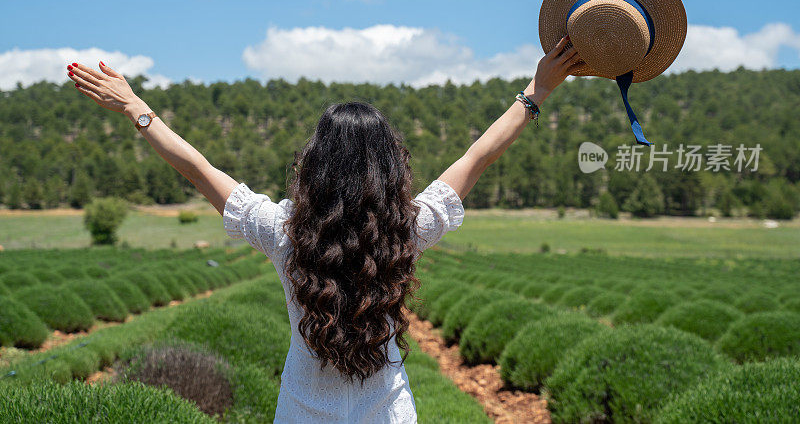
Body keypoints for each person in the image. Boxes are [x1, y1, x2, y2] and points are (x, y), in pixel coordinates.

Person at [66, 35, 582, 423]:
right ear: (389, 168)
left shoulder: (284, 230)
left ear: (316, 165)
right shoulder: (406, 229)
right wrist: (537, 90)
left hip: (303, 411)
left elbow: (197, 167)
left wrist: (137, 108)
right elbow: (479, 155)